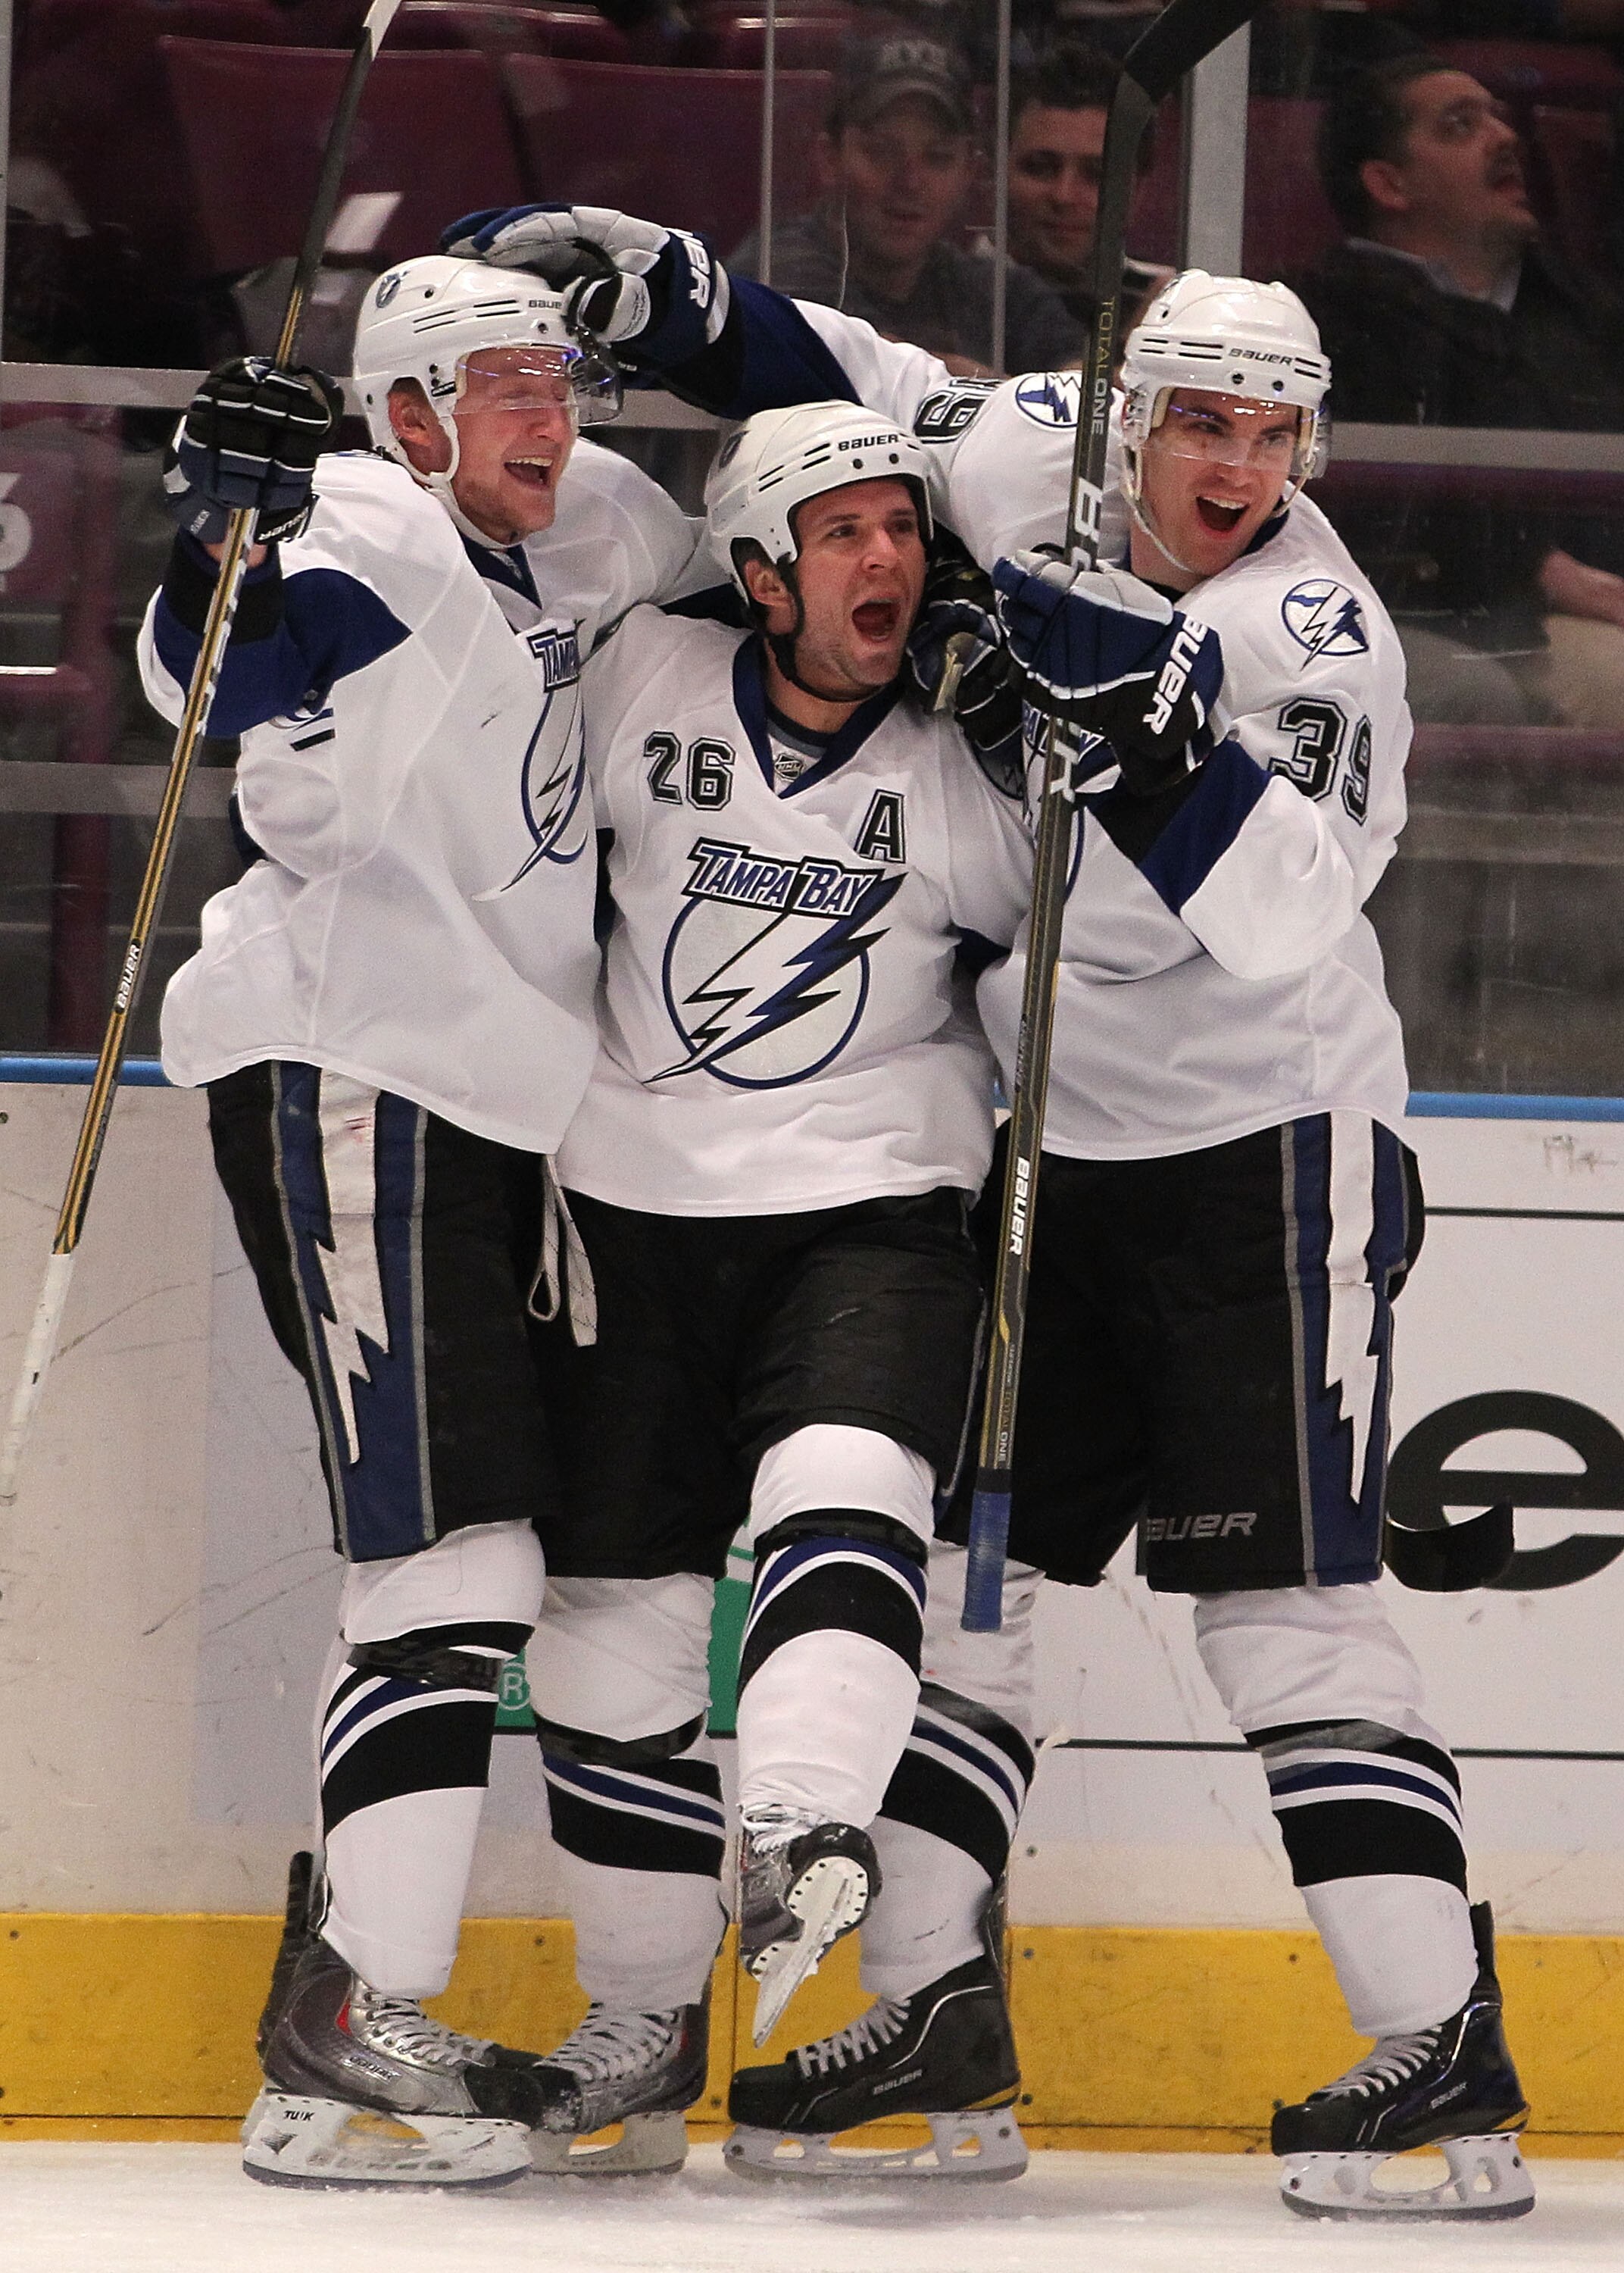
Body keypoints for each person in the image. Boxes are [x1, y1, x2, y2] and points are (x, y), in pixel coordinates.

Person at [723, 274, 1536, 2223]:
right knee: (961, 1586)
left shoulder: (1312, 635)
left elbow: (1267, 919)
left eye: (1272, 436)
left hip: (1263, 1158)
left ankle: (1441, 2070)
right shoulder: (1025, 450)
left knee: (1286, 1616)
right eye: (1200, 425)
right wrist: (667, 293)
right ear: (1127, 420)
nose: (1237, 469)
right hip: (1050, 1156)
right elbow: (858, 400)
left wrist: (1149, 731)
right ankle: (937, 2019)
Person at [136, 251, 738, 2190]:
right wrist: (222, 519)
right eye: (499, 392)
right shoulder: (369, 523)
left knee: (567, 1574)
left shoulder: (587, 516)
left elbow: (740, 555)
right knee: (450, 1559)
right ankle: (349, 2028)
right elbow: (219, 666)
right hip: (352, 1067)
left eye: (555, 384)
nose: (546, 420)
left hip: (517, 1114)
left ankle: (519, 2027)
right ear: (400, 413)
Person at [504, 399, 1034, 2175]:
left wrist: (1062, 717)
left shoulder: (967, 764)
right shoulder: (636, 675)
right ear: (756, 571)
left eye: (906, 526)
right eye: (845, 533)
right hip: (628, 1206)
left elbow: (1103, 952)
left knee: (846, 1488)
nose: (886, 557)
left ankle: (804, 1829)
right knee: (609, 1634)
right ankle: (647, 2020)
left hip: (870, 1202)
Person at [1293, 52, 1624, 727]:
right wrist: (1537, 567)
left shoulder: (1586, 311)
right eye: (1459, 126)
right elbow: (1353, 523)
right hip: (1479, 624)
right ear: (1389, 185)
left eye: (1497, 120)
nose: (1504, 137)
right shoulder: (1322, 322)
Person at [729, 36, 1086, 376]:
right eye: (882, 152)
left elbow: (1088, 396)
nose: (911, 182)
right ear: (830, 159)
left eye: (938, 158)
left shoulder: (997, 294)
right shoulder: (777, 267)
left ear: (970, 172)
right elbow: (863, 368)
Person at [999, 41, 1168, 334]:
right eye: (1040, 168)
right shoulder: (937, 293)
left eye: (1096, 175)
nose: (1063, 195)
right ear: (994, 173)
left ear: (1138, 191)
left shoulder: (1170, 307)